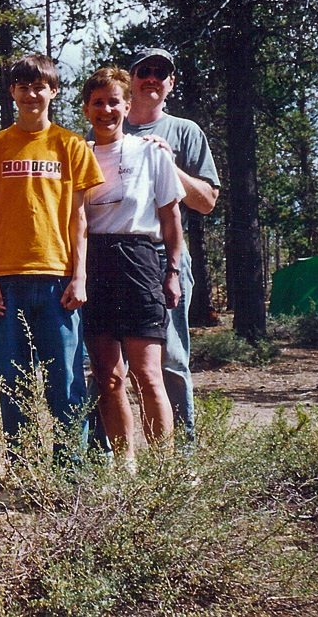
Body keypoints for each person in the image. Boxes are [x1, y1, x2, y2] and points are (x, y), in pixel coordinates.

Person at [0, 54, 104, 463]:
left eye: (39, 86)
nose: (31, 94)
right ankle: (26, 470)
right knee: (13, 381)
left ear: (53, 91)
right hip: (6, 281)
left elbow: (80, 217)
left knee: (64, 381)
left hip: (57, 279)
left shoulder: (72, 145)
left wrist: (79, 276)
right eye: (23, 86)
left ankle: (69, 473)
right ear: (12, 92)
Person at [81, 67, 185, 468]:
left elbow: (170, 216)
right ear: (87, 110)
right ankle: (124, 464)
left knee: (148, 374)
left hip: (140, 260)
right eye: (97, 103)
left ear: (127, 105)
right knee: (109, 377)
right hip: (95, 263)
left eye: (113, 102)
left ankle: (164, 468)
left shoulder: (151, 152)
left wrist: (171, 270)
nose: (106, 110)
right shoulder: (80, 155)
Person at [125, 48, 221, 446]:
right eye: (144, 71)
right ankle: (104, 456)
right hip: (111, 260)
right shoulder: (106, 125)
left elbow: (207, 201)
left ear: (172, 83)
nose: (152, 78)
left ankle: (180, 458)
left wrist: (172, 167)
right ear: (129, 80)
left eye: (160, 73)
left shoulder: (185, 132)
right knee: (106, 363)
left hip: (167, 260)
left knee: (172, 359)